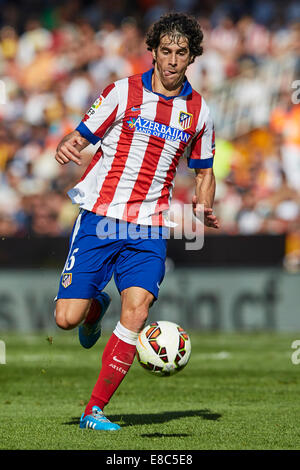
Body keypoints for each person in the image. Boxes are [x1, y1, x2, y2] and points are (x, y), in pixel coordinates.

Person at [54, 12, 219, 431]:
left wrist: (202, 204)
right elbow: (80, 136)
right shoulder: (121, 92)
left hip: (149, 225)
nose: (172, 60)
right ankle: (94, 309)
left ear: (192, 57)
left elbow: (204, 171)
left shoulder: (199, 111)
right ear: (154, 51)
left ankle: (94, 412)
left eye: (182, 52)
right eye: (166, 50)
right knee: (66, 319)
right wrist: (68, 145)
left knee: (138, 308)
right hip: (100, 217)